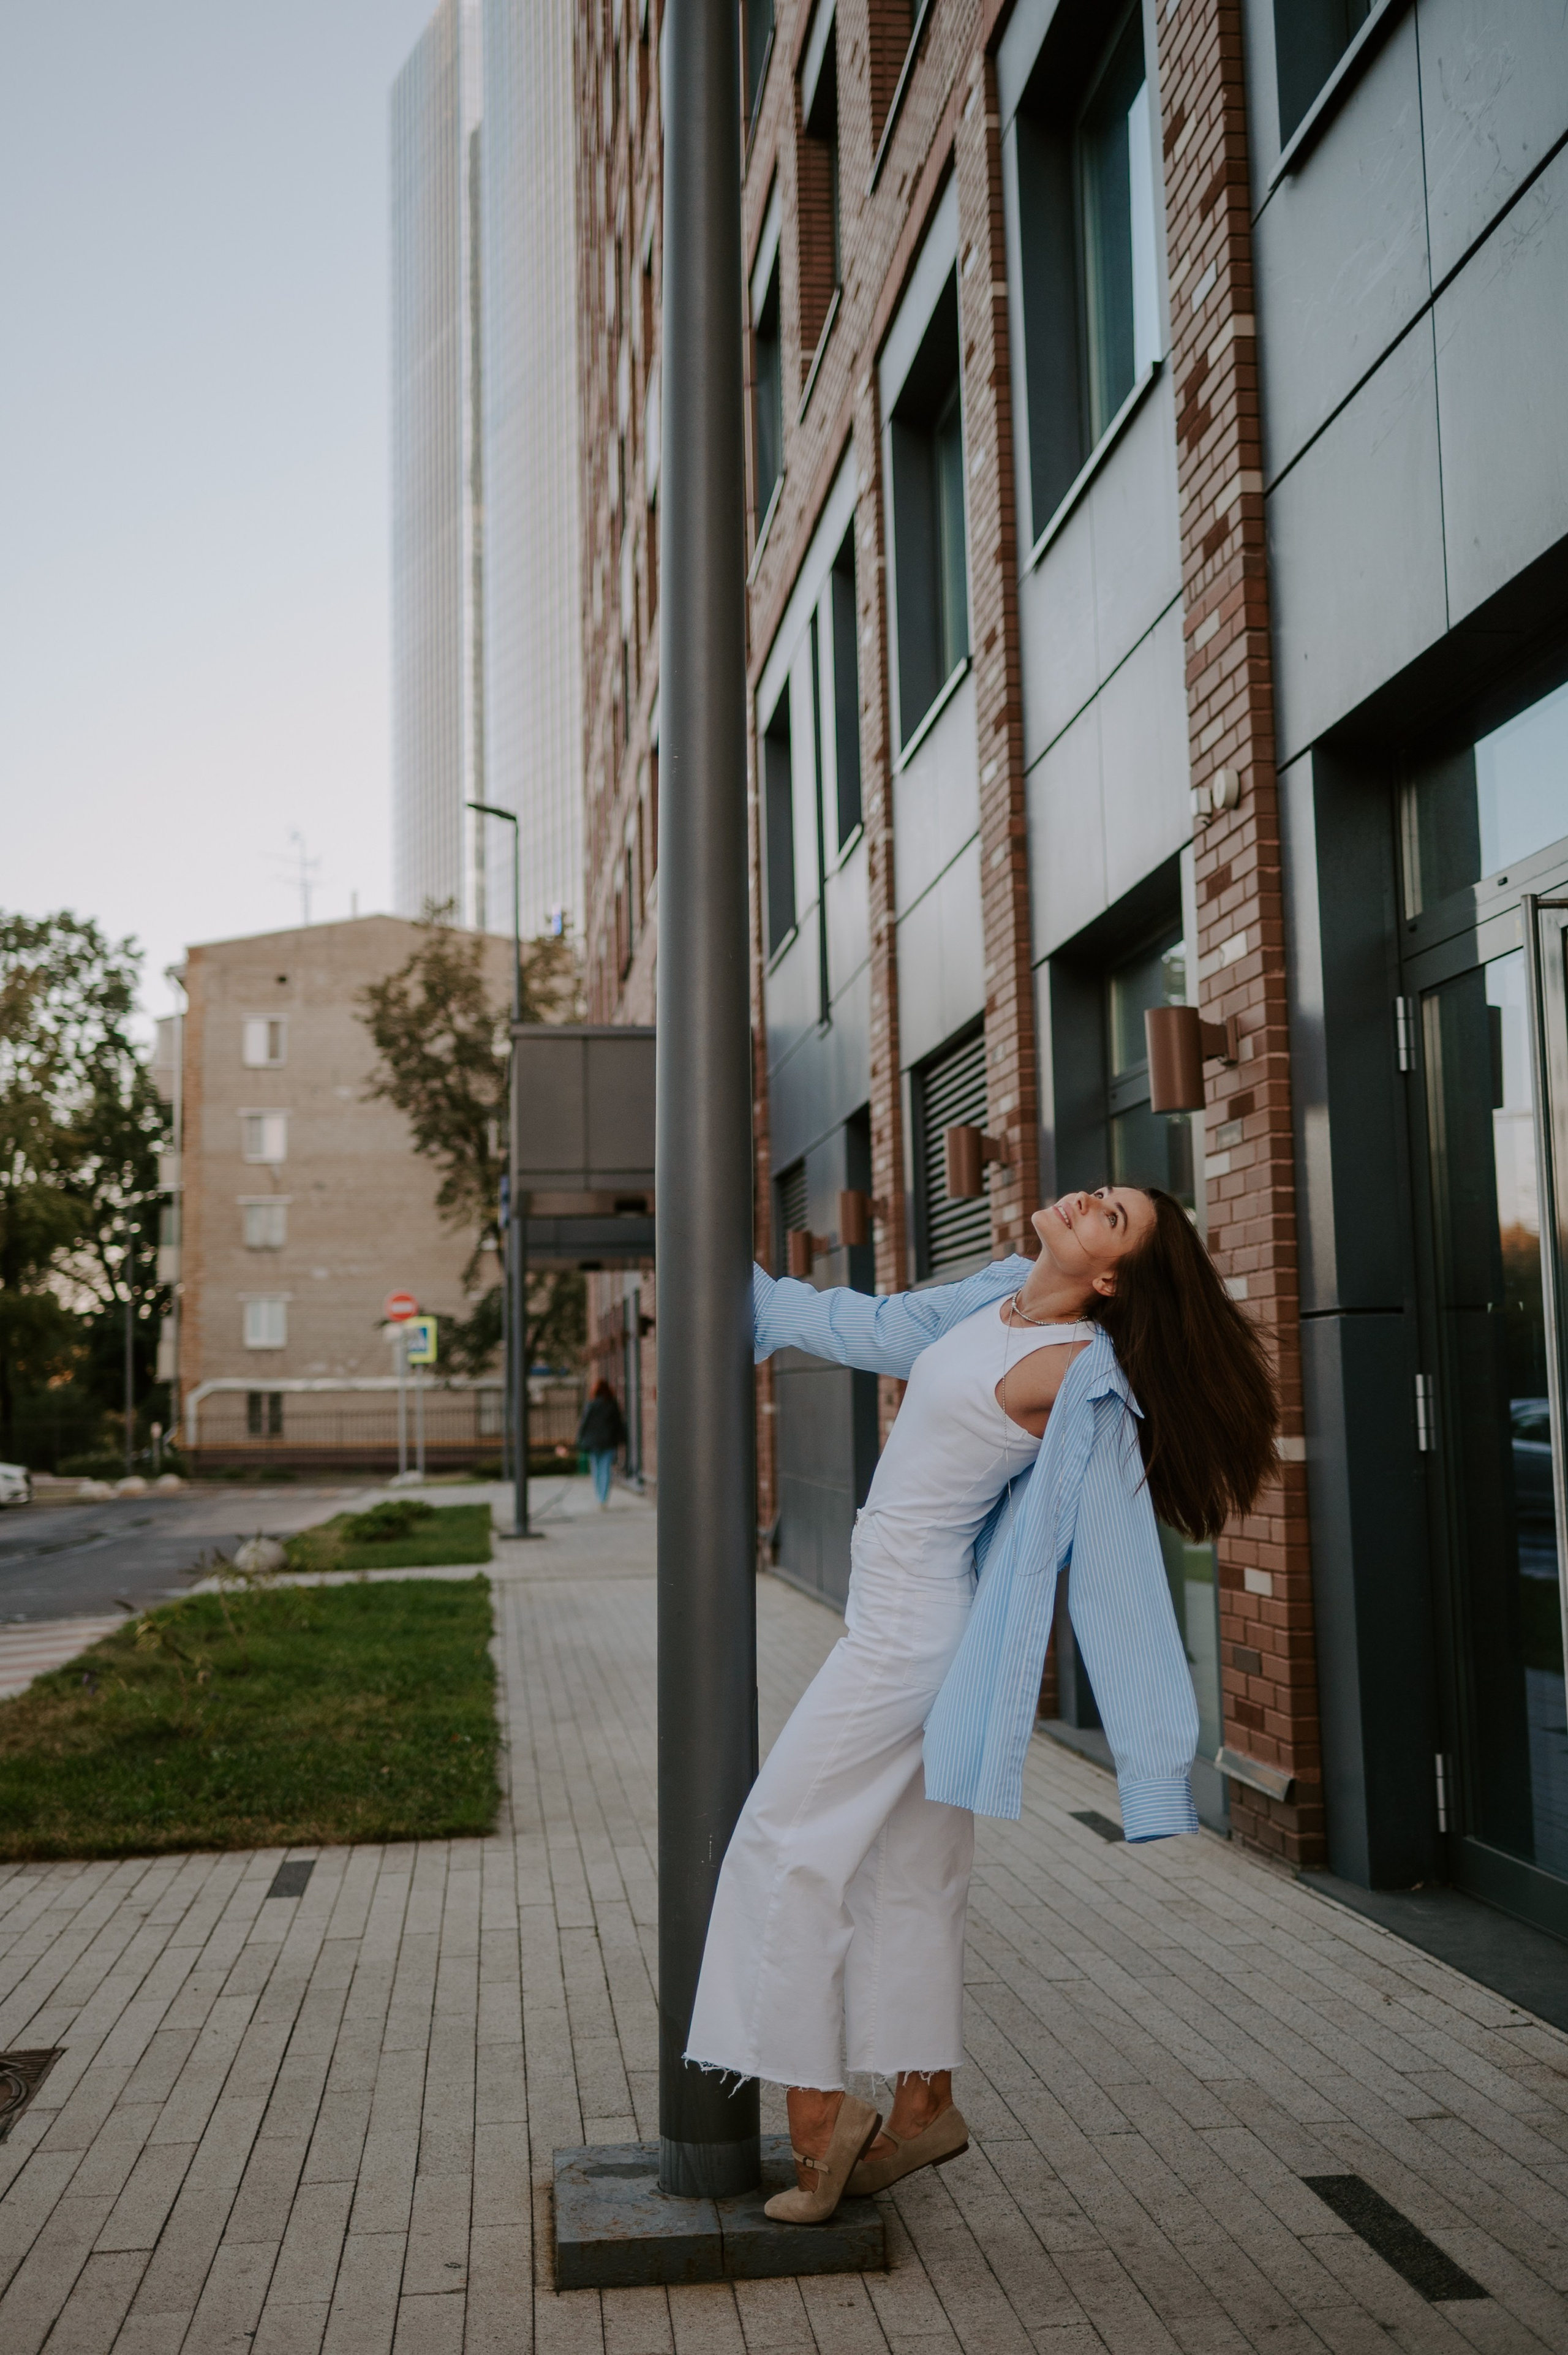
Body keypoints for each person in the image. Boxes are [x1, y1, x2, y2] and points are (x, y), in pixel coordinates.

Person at [685, 1185, 1278, 2224]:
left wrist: (1152, 1770)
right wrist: (733, 1284)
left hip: (909, 1631)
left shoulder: (1077, 1372)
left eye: (1110, 1219)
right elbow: (876, 1327)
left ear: (1111, 1279)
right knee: (915, 1866)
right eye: (1104, 1193)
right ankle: (925, 2104)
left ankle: (819, 2122)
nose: (1088, 1199)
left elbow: (1119, 1576)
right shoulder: (997, 1296)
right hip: (904, 1614)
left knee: (783, 1842)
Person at [575, 1379, 626, 1507]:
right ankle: (603, 1498)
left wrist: (580, 1439)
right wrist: (623, 1439)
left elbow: (584, 1423)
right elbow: (618, 1424)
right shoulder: (612, 1405)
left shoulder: (591, 1405)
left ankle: (599, 1497)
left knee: (596, 1470)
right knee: (606, 1470)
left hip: (593, 1443)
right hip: (608, 1442)